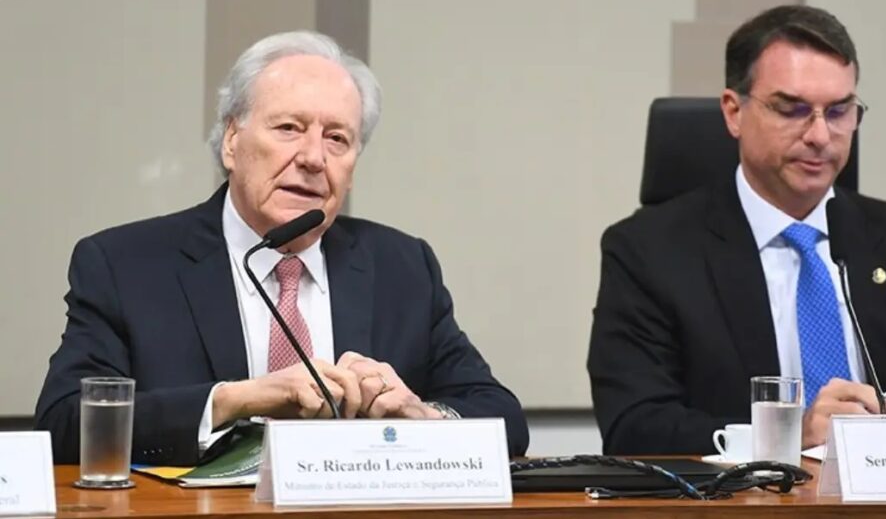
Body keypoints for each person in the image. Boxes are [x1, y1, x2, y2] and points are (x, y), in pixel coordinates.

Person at [36, 31, 528, 465]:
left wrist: (420, 416)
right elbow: (65, 424)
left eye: (337, 139)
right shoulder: (127, 265)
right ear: (231, 140)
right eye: (289, 128)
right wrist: (237, 400)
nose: (313, 157)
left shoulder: (402, 266)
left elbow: (503, 418)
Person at [587, 5, 886, 455]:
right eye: (792, 109)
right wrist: (787, 435)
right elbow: (634, 426)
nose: (821, 136)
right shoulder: (649, 252)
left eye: (839, 111)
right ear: (734, 112)